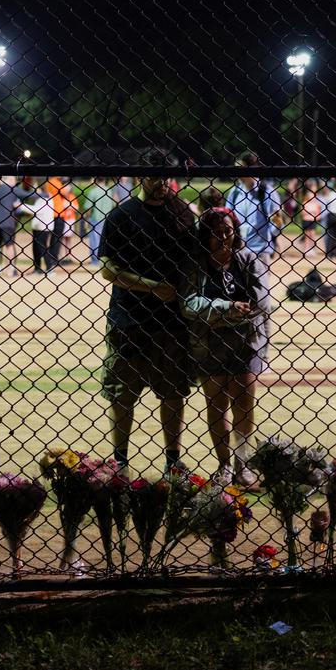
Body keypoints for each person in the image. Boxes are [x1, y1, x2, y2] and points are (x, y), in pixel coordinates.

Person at [98, 153, 198, 472]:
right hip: (129, 318)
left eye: (166, 176)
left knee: (173, 392)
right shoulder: (122, 216)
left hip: (171, 321)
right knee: (122, 394)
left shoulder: (183, 213)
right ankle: (120, 460)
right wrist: (151, 286)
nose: (162, 183)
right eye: (154, 176)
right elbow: (108, 269)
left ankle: (172, 460)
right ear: (140, 178)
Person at [182, 208, 271, 485]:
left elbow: (261, 302)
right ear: (205, 235)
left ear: (236, 232)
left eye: (228, 231)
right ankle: (224, 466)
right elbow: (188, 303)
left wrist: (216, 317)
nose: (223, 237)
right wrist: (226, 307)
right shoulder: (196, 263)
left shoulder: (248, 260)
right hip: (208, 344)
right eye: (216, 232)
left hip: (245, 341)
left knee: (243, 403)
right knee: (216, 404)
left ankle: (242, 464)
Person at [225, 152, 283, 262]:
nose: (237, 173)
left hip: (259, 252)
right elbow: (228, 218)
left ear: (252, 169)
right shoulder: (235, 192)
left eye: (241, 169)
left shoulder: (267, 192)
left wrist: (278, 224)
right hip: (238, 251)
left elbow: (275, 227)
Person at [81, 176, 119, 267]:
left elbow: (88, 208)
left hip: (96, 219)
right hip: (107, 219)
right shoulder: (109, 191)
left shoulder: (93, 191)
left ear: (96, 180)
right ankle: (105, 260)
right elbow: (114, 204)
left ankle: (95, 261)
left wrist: (87, 219)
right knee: (105, 240)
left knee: (95, 240)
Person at [46, 176, 78, 269]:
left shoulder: (49, 182)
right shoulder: (54, 181)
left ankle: (53, 258)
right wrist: (68, 188)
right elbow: (65, 192)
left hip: (54, 212)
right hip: (58, 213)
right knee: (57, 238)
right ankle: (54, 258)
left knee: (55, 237)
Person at [24, 183, 57, 276]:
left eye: (35, 189)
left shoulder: (46, 198)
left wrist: (21, 206)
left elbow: (36, 210)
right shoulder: (39, 199)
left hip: (44, 227)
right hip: (37, 227)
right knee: (35, 248)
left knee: (42, 247)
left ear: (41, 189)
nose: (33, 191)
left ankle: (49, 268)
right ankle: (37, 269)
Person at [301, 179, 323, 256]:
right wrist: (311, 212)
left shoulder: (316, 203)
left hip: (313, 219)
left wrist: (317, 216)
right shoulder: (305, 203)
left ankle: (312, 248)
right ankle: (306, 249)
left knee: (312, 234)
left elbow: (318, 211)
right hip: (306, 219)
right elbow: (303, 213)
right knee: (307, 235)